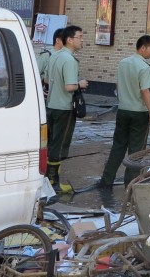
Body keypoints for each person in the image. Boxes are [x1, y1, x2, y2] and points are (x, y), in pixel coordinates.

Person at [98, 35, 150, 189]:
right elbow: (145, 91)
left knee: (118, 146)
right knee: (136, 151)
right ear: (142, 48)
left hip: (123, 110)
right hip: (138, 112)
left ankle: (106, 180)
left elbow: (118, 86)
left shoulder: (123, 63)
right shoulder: (144, 67)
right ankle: (130, 184)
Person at [46, 25, 87, 193]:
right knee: (60, 145)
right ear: (69, 40)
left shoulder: (55, 55)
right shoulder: (69, 60)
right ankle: (54, 183)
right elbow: (70, 86)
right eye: (80, 37)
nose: (82, 40)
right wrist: (81, 84)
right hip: (64, 107)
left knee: (51, 143)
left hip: (51, 105)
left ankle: (48, 180)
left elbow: (47, 81)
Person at [36, 28, 63, 98]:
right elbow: (35, 74)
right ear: (57, 40)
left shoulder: (65, 56)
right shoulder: (46, 55)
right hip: (46, 95)